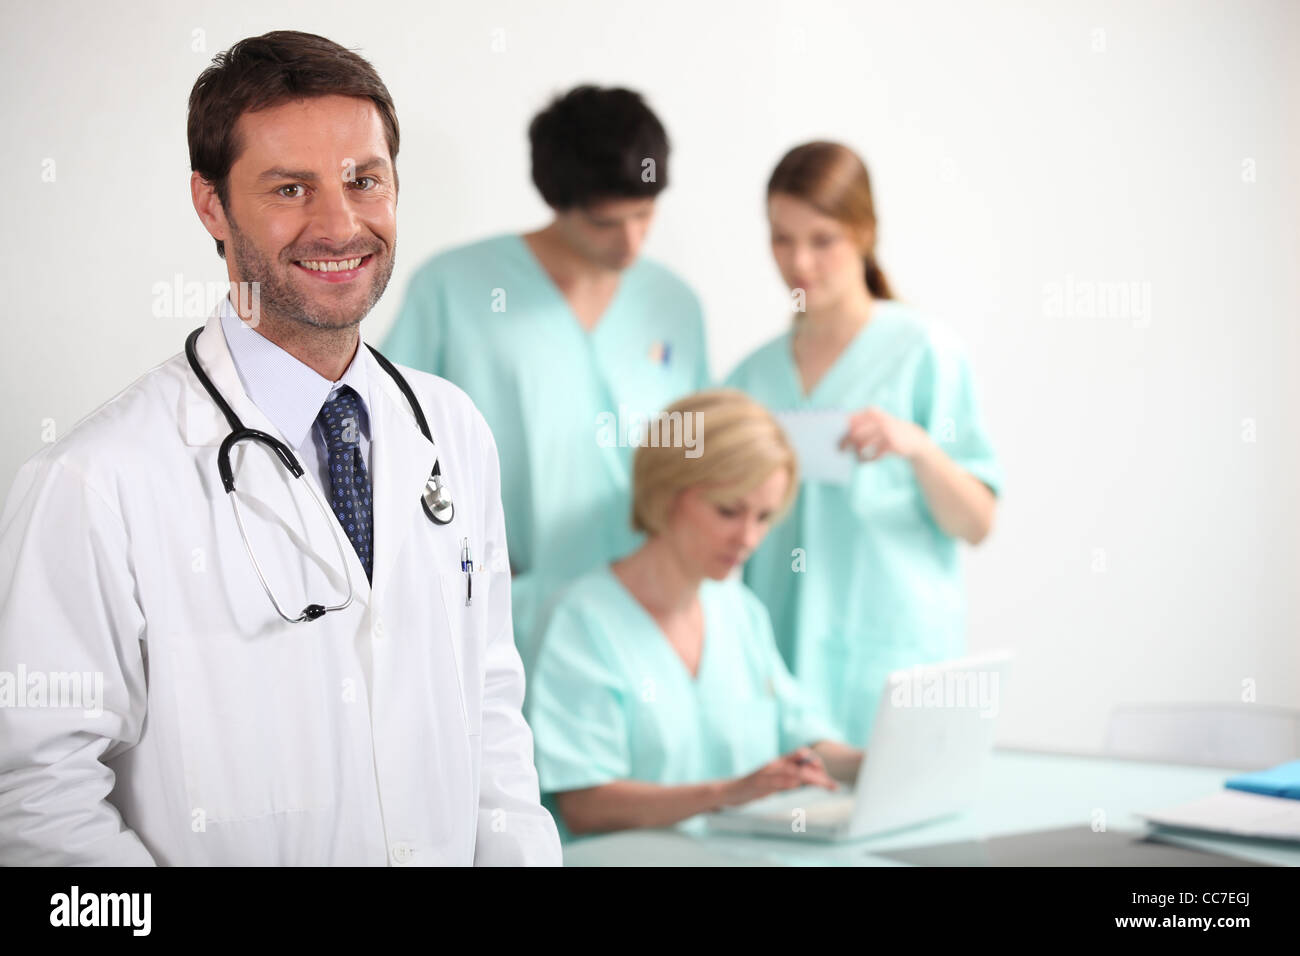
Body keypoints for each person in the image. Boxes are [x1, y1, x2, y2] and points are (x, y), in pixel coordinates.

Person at [0, 31, 560, 866]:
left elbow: (490, 713)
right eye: (290, 188)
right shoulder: (93, 481)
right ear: (211, 206)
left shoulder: (451, 430)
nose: (339, 224)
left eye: (364, 181)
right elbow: (35, 794)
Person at [381, 85, 710, 673]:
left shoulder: (673, 305)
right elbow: (389, 444)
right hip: (507, 614)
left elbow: (702, 456)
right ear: (557, 200)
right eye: (608, 221)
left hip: (650, 614)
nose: (631, 241)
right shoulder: (455, 290)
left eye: (645, 214)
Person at [725, 141, 1003, 747]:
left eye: (822, 239)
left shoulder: (924, 351)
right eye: (781, 239)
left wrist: (920, 449)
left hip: (891, 659)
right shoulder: (751, 377)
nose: (800, 262)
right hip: (778, 664)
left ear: (865, 234)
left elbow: (977, 523)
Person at [525, 389, 863, 839]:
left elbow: (803, 740)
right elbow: (586, 806)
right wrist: (728, 792)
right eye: (729, 511)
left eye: (764, 517)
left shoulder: (740, 613)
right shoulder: (581, 621)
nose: (748, 538)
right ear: (666, 495)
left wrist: (879, 763)